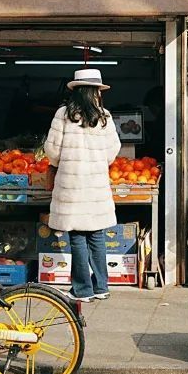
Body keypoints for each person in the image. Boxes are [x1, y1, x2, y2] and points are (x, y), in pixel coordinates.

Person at [43, 68, 121, 302]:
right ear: (96, 92)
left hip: (72, 184)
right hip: (96, 185)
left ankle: (82, 290)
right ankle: (101, 286)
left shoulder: (63, 115)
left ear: (76, 92)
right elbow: (112, 151)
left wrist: (64, 161)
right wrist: (96, 161)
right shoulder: (104, 116)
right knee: (97, 237)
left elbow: (52, 151)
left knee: (77, 237)